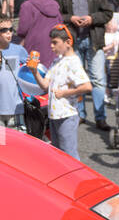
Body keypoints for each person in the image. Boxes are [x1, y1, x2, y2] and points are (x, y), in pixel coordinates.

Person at [49, 0, 112, 128]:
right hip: (73, 41)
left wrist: (92, 19)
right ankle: (80, 114)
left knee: (97, 79)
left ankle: (100, 117)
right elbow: (57, 16)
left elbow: (108, 13)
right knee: (76, 80)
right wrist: (71, 18)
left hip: (94, 40)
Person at [33, 24, 91, 158]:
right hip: (54, 115)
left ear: (68, 43)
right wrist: (34, 71)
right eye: (51, 42)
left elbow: (87, 86)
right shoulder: (56, 61)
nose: (51, 46)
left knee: (69, 155)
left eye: (55, 42)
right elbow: (45, 86)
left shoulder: (73, 62)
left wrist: (65, 93)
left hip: (67, 115)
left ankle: (76, 178)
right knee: (58, 154)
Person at [15, 0, 62, 65]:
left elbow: (23, 29)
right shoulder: (54, 3)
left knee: (34, 74)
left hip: (34, 45)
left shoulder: (27, 5)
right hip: (53, 44)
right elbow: (60, 22)